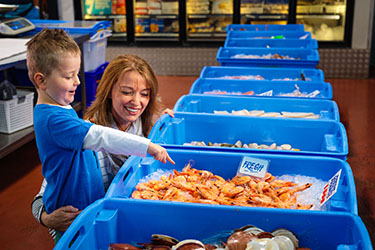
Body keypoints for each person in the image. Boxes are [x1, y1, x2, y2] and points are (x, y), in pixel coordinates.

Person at [27, 29, 174, 242]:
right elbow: (45, 190)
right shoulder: (85, 130)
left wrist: (162, 124)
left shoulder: (145, 122)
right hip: (89, 220)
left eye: (144, 94)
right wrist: (46, 218)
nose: (137, 102)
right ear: (108, 92)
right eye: (126, 92)